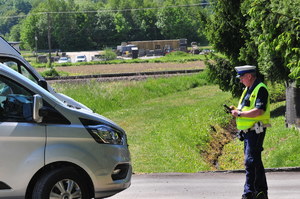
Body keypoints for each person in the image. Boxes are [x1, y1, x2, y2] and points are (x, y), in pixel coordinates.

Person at [230, 65, 270, 199]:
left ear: (249, 76)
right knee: (255, 161)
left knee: (250, 161)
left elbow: (259, 111)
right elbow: (247, 107)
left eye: (241, 77)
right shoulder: (248, 89)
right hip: (248, 132)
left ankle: (249, 194)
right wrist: (236, 110)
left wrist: (239, 114)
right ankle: (260, 193)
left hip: (256, 131)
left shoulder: (260, 89)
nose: (240, 80)